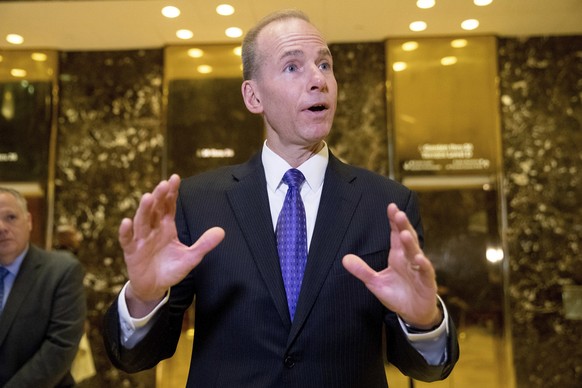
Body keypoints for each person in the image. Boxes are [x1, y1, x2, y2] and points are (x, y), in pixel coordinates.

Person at [103, 9, 459, 387]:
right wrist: (143, 298)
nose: (318, 79)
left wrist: (424, 322)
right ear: (253, 96)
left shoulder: (387, 204)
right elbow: (136, 358)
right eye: (293, 67)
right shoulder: (198, 201)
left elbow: (425, 368)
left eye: (325, 64)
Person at [0, 187, 87, 387]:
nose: (1, 227)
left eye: (10, 217)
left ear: (29, 221)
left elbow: (59, 348)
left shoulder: (62, 271)